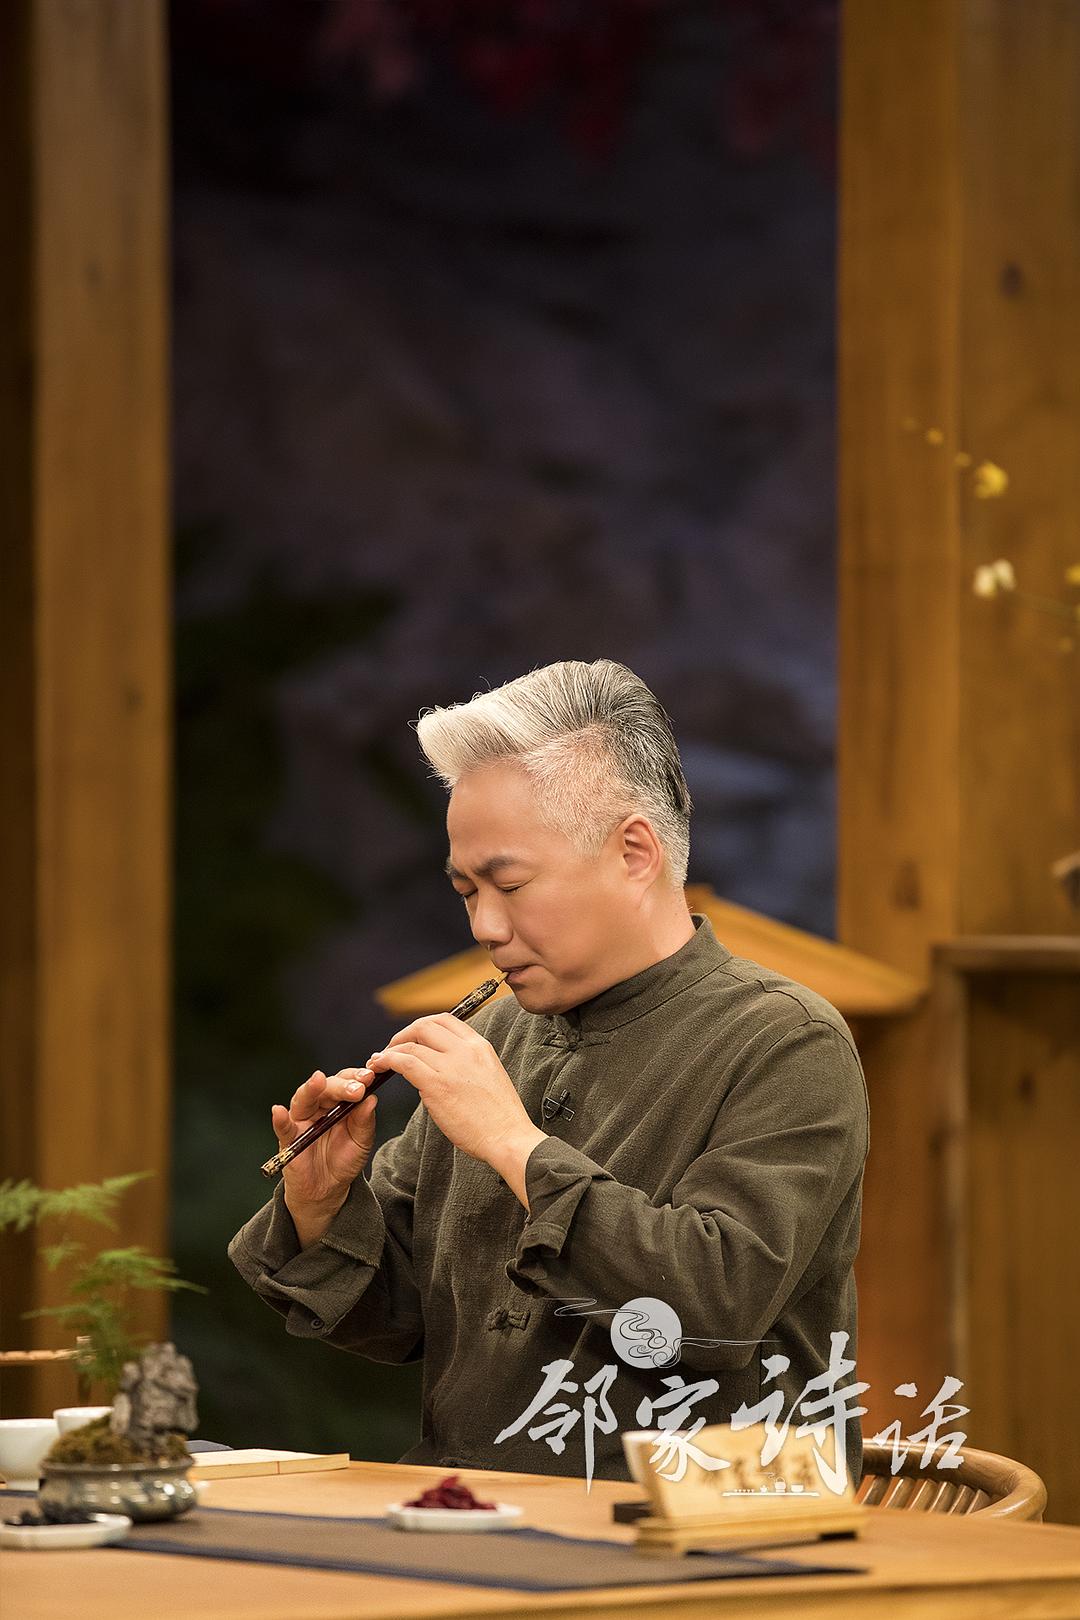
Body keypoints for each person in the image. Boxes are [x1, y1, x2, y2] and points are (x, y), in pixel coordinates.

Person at [228, 659, 869, 1484]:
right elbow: (399, 1320)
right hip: (475, 1509)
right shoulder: (497, 1034)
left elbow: (710, 1311)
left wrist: (512, 1143)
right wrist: (321, 1208)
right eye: (466, 891)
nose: (486, 926)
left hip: (709, 1522)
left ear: (635, 852)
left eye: (510, 884)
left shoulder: (788, 1041)